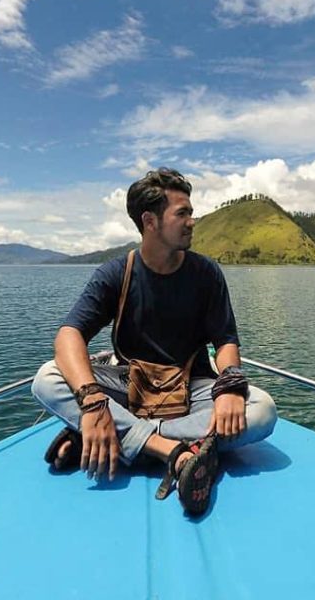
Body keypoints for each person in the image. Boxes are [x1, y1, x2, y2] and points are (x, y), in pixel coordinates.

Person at [31, 168, 277, 515]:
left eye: (191, 212)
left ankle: (113, 438)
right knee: (47, 377)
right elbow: (69, 335)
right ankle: (170, 451)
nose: (192, 221)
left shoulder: (206, 274)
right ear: (150, 221)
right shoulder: (116, 274)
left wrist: (230, 386)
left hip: (192, 390)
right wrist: (93, 403)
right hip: (129, 388)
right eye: (182, 213)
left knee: (262, 410)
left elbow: (225, 341)